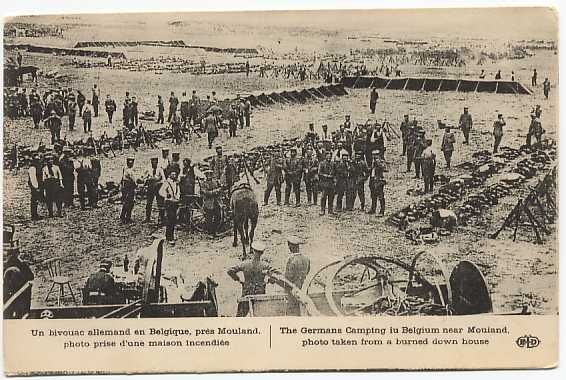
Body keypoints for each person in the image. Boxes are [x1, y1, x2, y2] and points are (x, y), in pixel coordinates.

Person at [227, 241, 274, 317]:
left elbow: (230, 271)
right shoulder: (265, 265)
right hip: (260, 295)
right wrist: (268, 281)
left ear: (253, 251)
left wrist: (238, 280)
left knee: (239, 318)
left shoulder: (245, 264)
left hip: (246, 294)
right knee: (260, 318)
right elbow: (275, 274)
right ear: (262, 253)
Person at [284, 236, 310, 316]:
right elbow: (308, 271)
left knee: (293, 312)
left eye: (289, 245)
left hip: (293, 290)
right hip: (304, 288)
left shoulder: (291, 260)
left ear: (290, 246)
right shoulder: (306, 258)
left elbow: (288, 277)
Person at [159, 170, 181, 244]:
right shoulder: (167, 182)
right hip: (169, 203)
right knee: (171, 218)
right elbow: (161, 191)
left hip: (175, 202)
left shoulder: (176, 183)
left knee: (174, 219)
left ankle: (169, 235)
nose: (174, 176)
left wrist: (177, 198)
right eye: (172, 174)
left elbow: (178, 192)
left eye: (175, 174)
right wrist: (166, 195)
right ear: (169, 175)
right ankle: (170, 237)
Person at [144, 157, 165, 224]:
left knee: (160, 203)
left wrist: (158, 182)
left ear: (157, 162)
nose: (154, 163)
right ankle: (147, 218)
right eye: (152, 161)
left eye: (155, 161)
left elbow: (164, 179)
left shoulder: (160, 169)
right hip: (150, 188)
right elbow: (144, 177)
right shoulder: (149, 169)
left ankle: (162, 218)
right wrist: (147, 180)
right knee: (149, 203)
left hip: (158, 188)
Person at [200, 170, 222, 234]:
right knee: (209, 218)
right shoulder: (203, 183)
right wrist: (215, 191)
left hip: (216, 202)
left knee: (218, 216)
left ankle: (214, 230)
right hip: (208, 203)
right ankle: (210, 232)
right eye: (208, 174)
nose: (209, 175)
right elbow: (206, 192)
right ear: (206, 175)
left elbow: (220, 188)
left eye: (210, 174)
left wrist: (217, 190)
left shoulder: (215, 182)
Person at [368, 150, 386, 216]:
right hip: (372, 179)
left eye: (375, 155)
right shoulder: (372, 162)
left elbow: (384, 168)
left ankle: (382, 211)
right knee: (373, 195)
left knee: (380, 196)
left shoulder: (381, 161)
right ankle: (373, 209)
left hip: (379, 180)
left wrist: (378, 162)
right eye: (373, 155)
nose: (374, 156)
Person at [120, 157, 137, 224]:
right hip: (129, 187)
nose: (131, 164)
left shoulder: (125, 168)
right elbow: (133, 180)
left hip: (125, 186)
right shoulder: (129, 171)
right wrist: (136, 185)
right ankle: (127, 217)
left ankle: (123, 215)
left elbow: (122, 178)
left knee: (126, 202)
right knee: (130, 203)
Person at [28, 154, 43, 220]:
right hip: (34, 186)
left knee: (36, 200)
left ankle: (35, 214)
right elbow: (33, 178)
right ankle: (34, 215)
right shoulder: (32, 168)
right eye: (36, 160)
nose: (38, 161)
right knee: (34, 200)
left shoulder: (37, 167)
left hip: (37, 185)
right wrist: (36, 187)